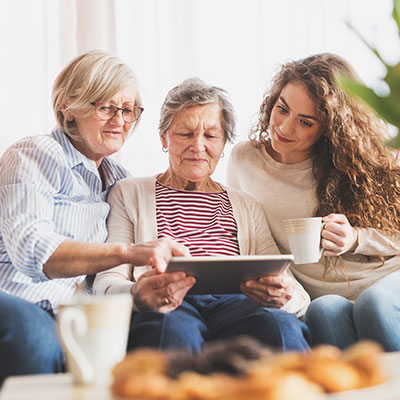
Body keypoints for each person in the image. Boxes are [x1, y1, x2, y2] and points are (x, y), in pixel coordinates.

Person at [0, 50, 189, 385]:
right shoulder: (35, 154)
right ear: (68, 108)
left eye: (128, 109)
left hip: (84, 315)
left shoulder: (119, 179)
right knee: (35, 336)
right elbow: (33, 249)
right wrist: (129, 252)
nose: (120, 120)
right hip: (24, 301)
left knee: (165, 334)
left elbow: (115, 278)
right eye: (105, 107)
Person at [93, 77, 311, 353]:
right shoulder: (129, 193)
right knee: (171, 332)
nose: (198, 146)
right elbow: (105, 282)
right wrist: (138, 294)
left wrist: (283, 296)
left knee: (281, 328)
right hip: (170, 306)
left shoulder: (246, 205)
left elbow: (295, 292)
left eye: (210, 135)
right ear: (164, 137)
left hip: (238, 305)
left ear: (223, 144)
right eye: (185, 134)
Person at [227, 52, 400, 351]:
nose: (283, 127)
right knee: (322, 312)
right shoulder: (245, 160)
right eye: (282, 109)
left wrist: (357, 238)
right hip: (322, 293)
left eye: (305, 122)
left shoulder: (361, 162)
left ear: (331, 127)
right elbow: (247, 235)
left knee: (373, 304)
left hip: (386, 279)